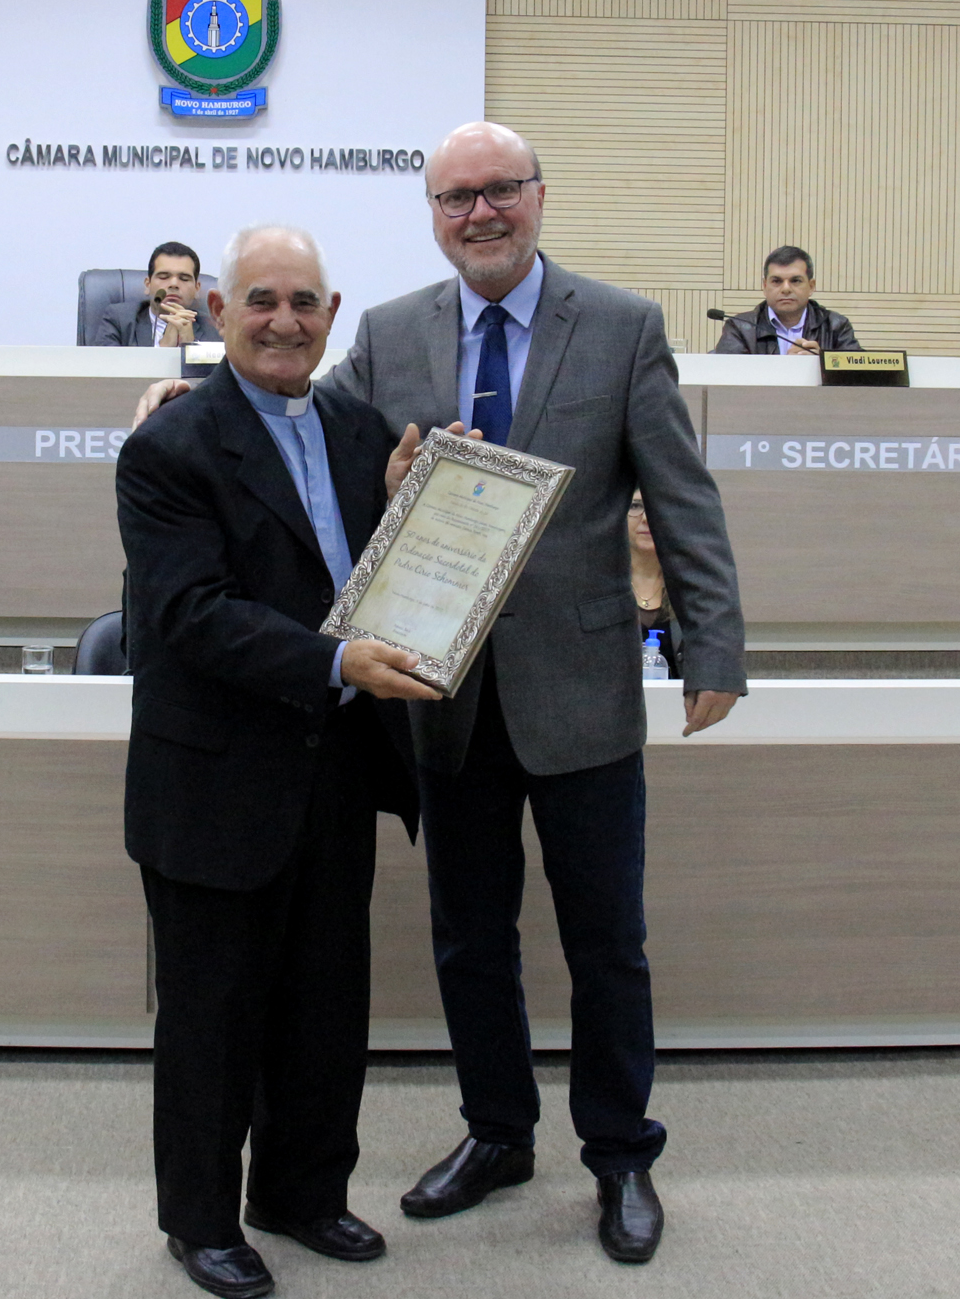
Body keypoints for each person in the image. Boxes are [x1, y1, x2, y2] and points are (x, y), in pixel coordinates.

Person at [130, 122, 747, 1265]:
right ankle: (497, 1133)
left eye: (498, 190)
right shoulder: (387, 330)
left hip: (579, 689)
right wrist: (182, 393)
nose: (479, 213)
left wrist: (710, 644)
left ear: (537, 197)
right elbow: (287, 416)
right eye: (455, 196)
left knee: (606, 940)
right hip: (438, 699)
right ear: (430, 213)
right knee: (470, 938)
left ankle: (620, 1154)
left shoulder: (620, 327)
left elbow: (681, 494)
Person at [117, 225, 436, 1299]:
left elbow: (366, 577)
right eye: (260, 299)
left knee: (322, 1004)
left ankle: (301, 1192)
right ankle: (200, 1220)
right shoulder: (168, 447)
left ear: (331, 314)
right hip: (211, 777)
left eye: (303, 301)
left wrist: (406, 512)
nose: (282, 320)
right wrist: (340, 656)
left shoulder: (357, 431)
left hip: (332, 769)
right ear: (216, 311)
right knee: (211, 1017)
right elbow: (191, 615)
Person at [712, 245, 862, 355]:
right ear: (765, 286)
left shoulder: (835, 327)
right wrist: (786, 367)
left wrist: (820, 364)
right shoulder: (740, 328)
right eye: (776, 281)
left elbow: (858, 379)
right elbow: (727, 378)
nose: (786, 289)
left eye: (795, 281)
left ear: (811, 286)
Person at [96, 241, 210, 347]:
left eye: (184, 279)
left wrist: (191, 348)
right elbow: (104, 366)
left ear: (196, 289)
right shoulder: (118, 320)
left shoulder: (213, 328)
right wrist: (162, 350)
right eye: (163, 277)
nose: (174, 284)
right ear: (148, 284)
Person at [628, 493, 681, 679]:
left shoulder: (692, 588)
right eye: (635, 506)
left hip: (679, 706)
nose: (646, 518)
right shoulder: (600, 584)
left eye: (655, 506)